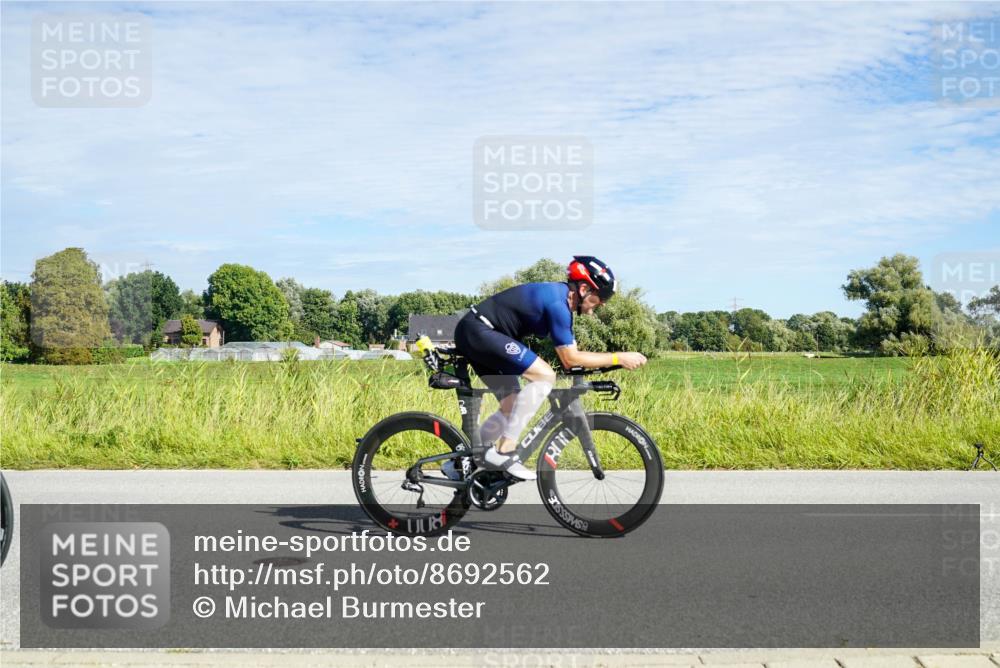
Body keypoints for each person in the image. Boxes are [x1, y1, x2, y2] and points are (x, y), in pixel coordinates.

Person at [446, 256, 648, 481]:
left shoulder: (561, 301)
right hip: (480, 331)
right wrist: (618, 357)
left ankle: (465, 462)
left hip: (481, 333)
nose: (603, 304)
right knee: (544, 375)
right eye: (601, 297)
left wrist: (612, 361)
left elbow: (573, 355)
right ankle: (505, 452)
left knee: (511, 404)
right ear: (584, 289)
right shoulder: (558, 305)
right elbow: (570, 359)